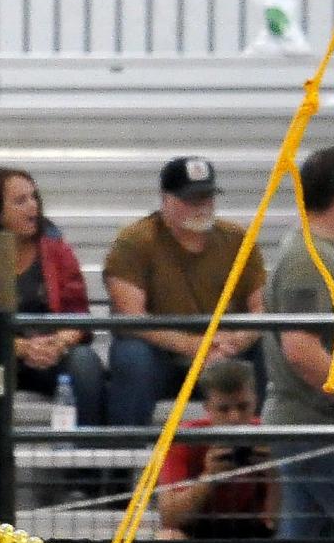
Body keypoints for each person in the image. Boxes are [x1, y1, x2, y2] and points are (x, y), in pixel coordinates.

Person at [103, 156, 267, 424]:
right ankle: (123, 458)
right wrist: (193, 345)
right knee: (131, 356)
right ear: (165, 199)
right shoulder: (135, 241)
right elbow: (131, 318)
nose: (201, 207)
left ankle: (267, 450)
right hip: (163, 359)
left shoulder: (238, 239)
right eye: (190, 199)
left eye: (207, 197)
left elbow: (262, 307)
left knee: (272, 345)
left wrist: (238, 338)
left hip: (227, 353)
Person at [0, 166, 106, 422]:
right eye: (20, 201)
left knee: (84, 363)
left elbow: (79, 315)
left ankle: (86, 459)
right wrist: (21, 347)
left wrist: (58, 343)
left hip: (52, 350)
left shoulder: (55, 248)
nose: (33, 206)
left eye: (34, 198)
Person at [262, 146, 334, 540]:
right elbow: (301, 350)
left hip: (316, 422)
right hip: (318, 424)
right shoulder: (308, 258)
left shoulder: (322, 253)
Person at [157, 359, 278, 539]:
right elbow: (169, 518)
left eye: (243, 407)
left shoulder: (269, 437)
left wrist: (272, 474)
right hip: (199, 526)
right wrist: (209, 478)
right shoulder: (184, 439)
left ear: (255, 401)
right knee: (168, 536)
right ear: (208, 409)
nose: (235, 417)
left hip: (254, 528)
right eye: (224, 409)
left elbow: (276, 520)